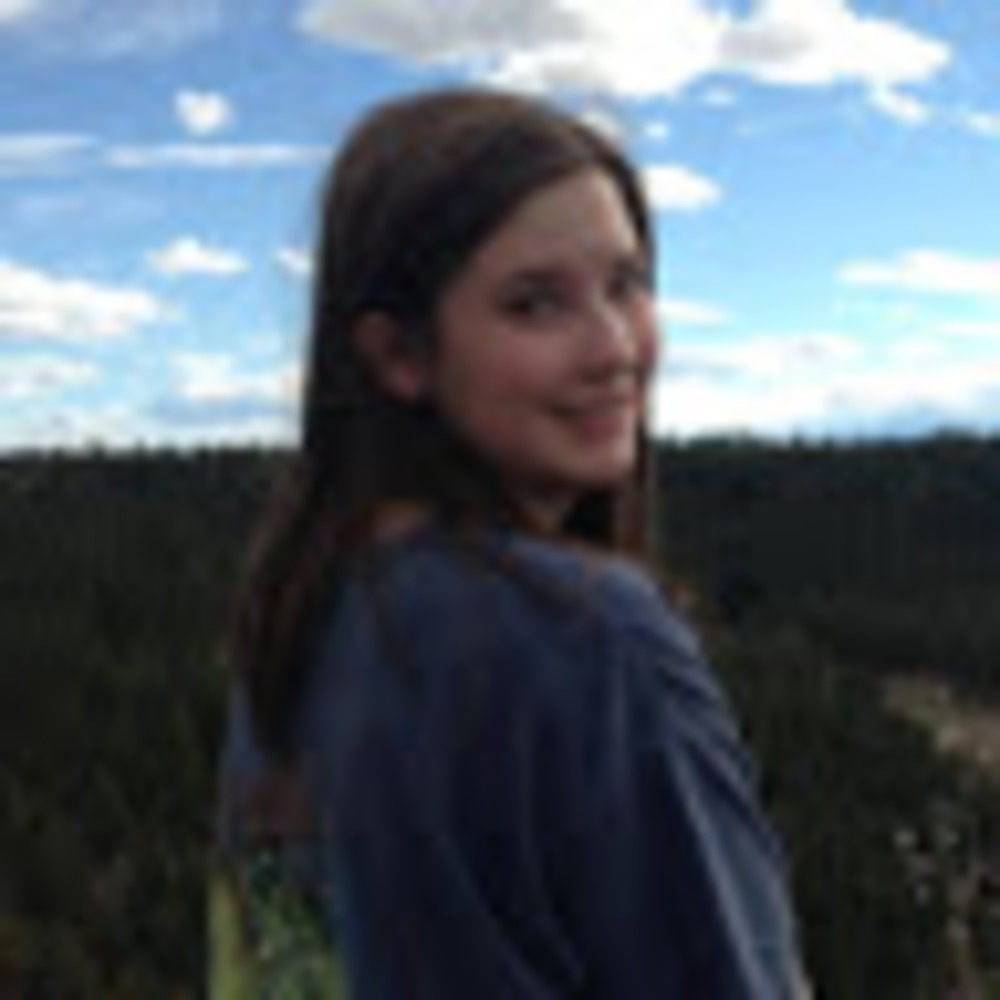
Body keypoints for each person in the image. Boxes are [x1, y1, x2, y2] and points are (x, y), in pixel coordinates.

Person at [210, 85, 809, 999]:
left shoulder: (299, 617)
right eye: (534, 305)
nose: (614, 348)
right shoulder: (593, 642)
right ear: (399, 356)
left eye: (627, 284)